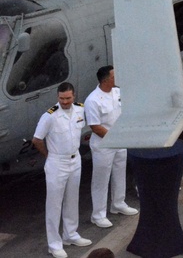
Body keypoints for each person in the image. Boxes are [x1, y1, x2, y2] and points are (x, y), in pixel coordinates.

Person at [32, 82, 93, 258]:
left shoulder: (81, 110)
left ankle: (70, 234)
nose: (65, 102)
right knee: (54, 204)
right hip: (56, 163)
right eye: (61, 98)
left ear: (74, 96)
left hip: (75, 160)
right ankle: (54, 244)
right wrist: (50, 156)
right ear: (57, 97)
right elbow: (37, 140)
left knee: (72, 199)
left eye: (68, 98)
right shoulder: (50, 116)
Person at [84, 65, 138, 229]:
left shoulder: (117, 92)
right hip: (104, 145)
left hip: (119, 141)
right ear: (106, 80)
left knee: (119, 172)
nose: (117, 78)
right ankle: (98, 215)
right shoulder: (92, 100)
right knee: (101, 180)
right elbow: (95, 127)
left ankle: (118, 203)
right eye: (115, 76)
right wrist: (115, 137)